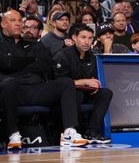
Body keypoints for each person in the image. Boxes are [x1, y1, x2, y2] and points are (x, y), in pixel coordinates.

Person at [0, 9, 88, 149]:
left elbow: (46, 64)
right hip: (13, 92)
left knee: (66, 83)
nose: (18, 24)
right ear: (3, 24)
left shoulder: (33, 43)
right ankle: (13, 133)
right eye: (13, 21)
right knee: (9, 83)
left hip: (36, 89)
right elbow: (5, 63)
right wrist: (30, 60)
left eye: (19, 21)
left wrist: (17, 64)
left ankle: (69, 132)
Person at [53, 25, 113, 144]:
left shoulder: (92, 57)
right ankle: (72, 131)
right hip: (66, 95)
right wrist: (84, 82)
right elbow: (59, 82)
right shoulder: (63, 55)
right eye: (83, 37)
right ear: (74, 38)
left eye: (90, 38)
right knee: (77, 94)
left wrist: (95, 84)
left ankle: (92, 132)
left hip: (87, 92)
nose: (87, 42)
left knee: (106, 93)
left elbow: (95, 77)